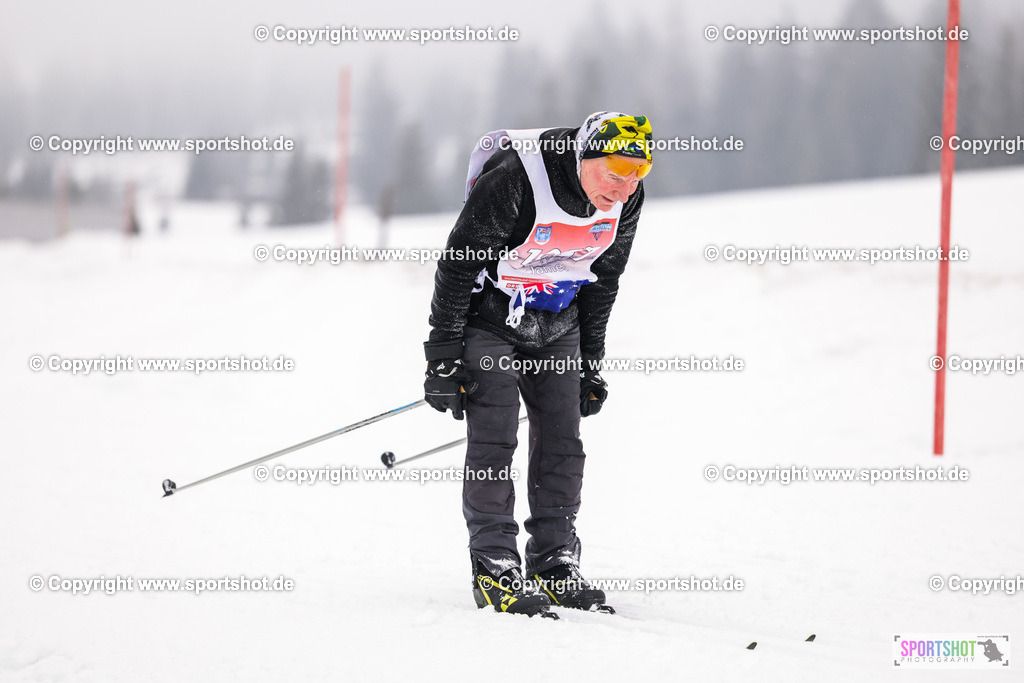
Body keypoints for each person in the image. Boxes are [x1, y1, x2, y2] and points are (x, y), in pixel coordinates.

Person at [423, 111, 651, 617]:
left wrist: (590, 363)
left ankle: (554, 562)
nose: (623, 188)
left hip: (558, 323)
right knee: (495, 438)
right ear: (585, 155)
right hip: (491, 319)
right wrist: (442, 358)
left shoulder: (627, 196)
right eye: (615, 172)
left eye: (638, 174)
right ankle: (495, 565)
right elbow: (457, 265)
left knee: (563, 443)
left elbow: (604, 277)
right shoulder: (515, 177)